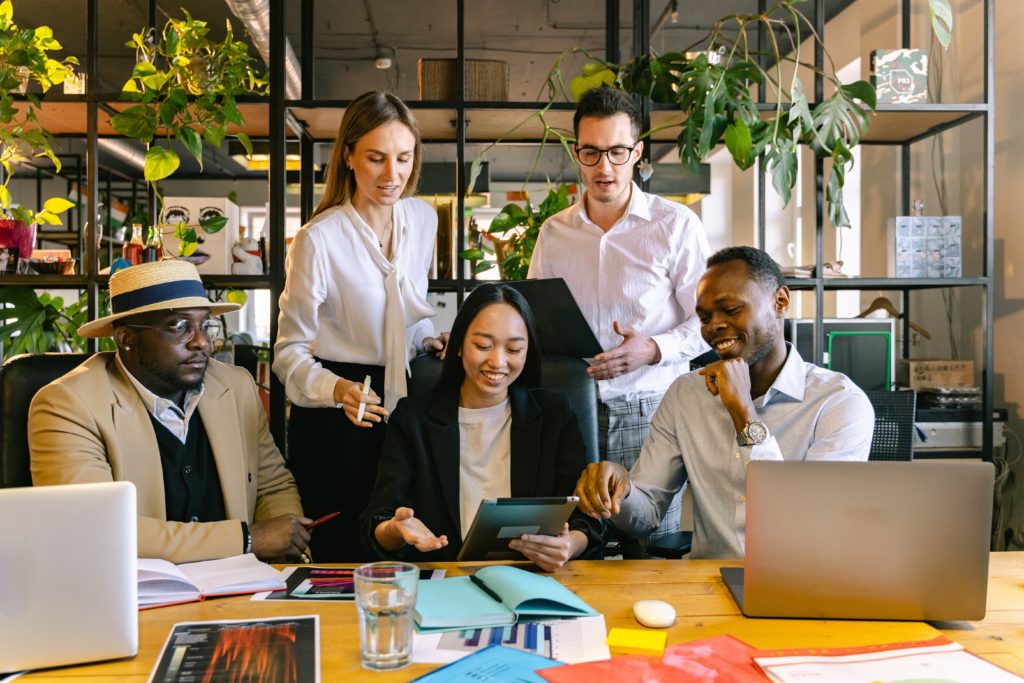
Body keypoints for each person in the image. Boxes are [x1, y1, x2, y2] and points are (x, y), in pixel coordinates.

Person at [574, 246, 875, 559]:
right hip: (710, 586)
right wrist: (621, 491)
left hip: (802, 586)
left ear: (780, 302)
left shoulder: (839, 403)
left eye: (730, 310)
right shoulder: (686, 395)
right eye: (704, 317)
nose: (713, 326)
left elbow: (804, 520)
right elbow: (646, 514)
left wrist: (742, 411)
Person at [29, 259, 310, 564]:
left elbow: (272, 486)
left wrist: (289, 551)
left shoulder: (236, 386)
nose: (202, 342)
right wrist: (248, 540)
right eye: (180, 326)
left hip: (243, 586)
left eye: (205, 325)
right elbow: (94, 528)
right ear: (127, 338)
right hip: (140, 597)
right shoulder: (67, 404)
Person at [527, 85, 711, 544]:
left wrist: (653, 348)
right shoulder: (554, 233)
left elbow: (708, 322)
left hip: (651, 409)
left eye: (616, 151)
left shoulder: (675, 225)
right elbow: (529, 316)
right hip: (572, 408)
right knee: (570, 542)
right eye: (591, 152)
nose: (603, 167)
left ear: (637, 152)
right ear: (577, 153)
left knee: (649, 545)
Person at [273, 91, 447, 561]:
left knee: (406, 540)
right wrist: (337, 390)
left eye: (404, 158)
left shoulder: (424, 219)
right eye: (376, 158)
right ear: (348, 156)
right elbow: (287, 353)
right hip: (337, 417)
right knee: (340, 555)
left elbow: (404, 318)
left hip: (402, 411)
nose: (393, 175)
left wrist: (427, 340)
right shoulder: (319, 239)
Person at [360, 284, 604, 572]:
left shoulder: (554, 414)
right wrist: (396, 530)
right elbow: (377, 525)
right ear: (459, 345)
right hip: (446, 583)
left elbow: (587, 517)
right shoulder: (413, 419)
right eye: (483, 346)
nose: (498, 362)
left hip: (533, 578)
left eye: (514, 349)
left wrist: (569, 545)